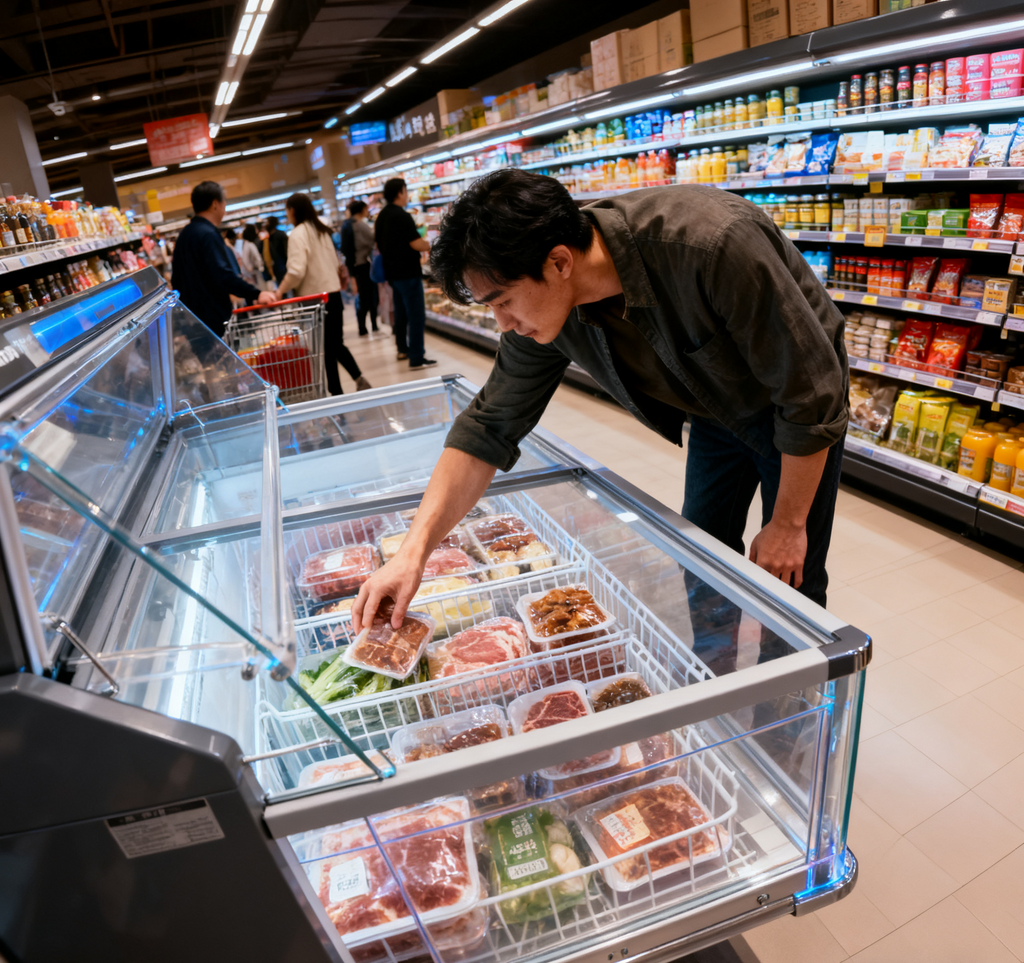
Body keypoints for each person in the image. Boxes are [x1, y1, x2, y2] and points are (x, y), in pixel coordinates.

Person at [353, 169, 849, 648]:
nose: (503, 323)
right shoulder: (548, 306)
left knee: (790, 576)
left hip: (797, 412)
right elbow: (489, 426)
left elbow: (811, 394)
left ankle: (789, 718)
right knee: (704, 556)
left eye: (503, 301)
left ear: (560, 262)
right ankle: (716, 679)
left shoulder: (709, 244)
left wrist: (787, 523)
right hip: (714, 413)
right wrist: (413, 553)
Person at [273, 192, 371, 394]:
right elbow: (336, 263)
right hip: (333, 295)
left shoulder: (299, 234)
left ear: (292, 210)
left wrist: (279, 291)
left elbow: (296, 271)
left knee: (327, 347)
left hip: (314, 299)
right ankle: (354, 381)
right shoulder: (322, 231)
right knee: (334, 344)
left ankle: (339, 392)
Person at [170, 181, 275, 337]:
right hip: (213, 318)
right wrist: (256, 294)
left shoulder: (185, 235)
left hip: (193, 320)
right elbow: (223, 275)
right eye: (224, 201)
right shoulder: (208, 235)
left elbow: (176, 279)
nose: (225, 207)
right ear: (215, 204)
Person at [374, 178, 435, 368]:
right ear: (400, 192)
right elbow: (415, 243)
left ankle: (402, 349)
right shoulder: (402, 215)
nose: (407, 195)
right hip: (408, 273)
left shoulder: (382, 216)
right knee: (416, 315)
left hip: (392, 274)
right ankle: (416, 357)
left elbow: (378, 244)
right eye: (406, 191)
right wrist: (433, 244)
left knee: (400, 313)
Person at [342, 200, 379, 336]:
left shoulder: (347, 225)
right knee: (369, 298)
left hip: (356, 267)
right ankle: (371, 326)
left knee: (363, 298)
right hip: (363, 265)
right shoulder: (359, 225)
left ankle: (362, 327)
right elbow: (372, 240)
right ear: (362, 209)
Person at [235, 224, 266, 289]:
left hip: (252, 273)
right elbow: (248, 260)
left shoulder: (246, 244)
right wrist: (257, 268)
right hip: (254, 274)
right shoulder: (249, 244)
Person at [263, 215, 288, 284]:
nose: (264, 225)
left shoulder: (280, 234)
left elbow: (286, 251)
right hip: (276, 268)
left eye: (266, 223)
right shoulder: (268, 238)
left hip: (283, 266)